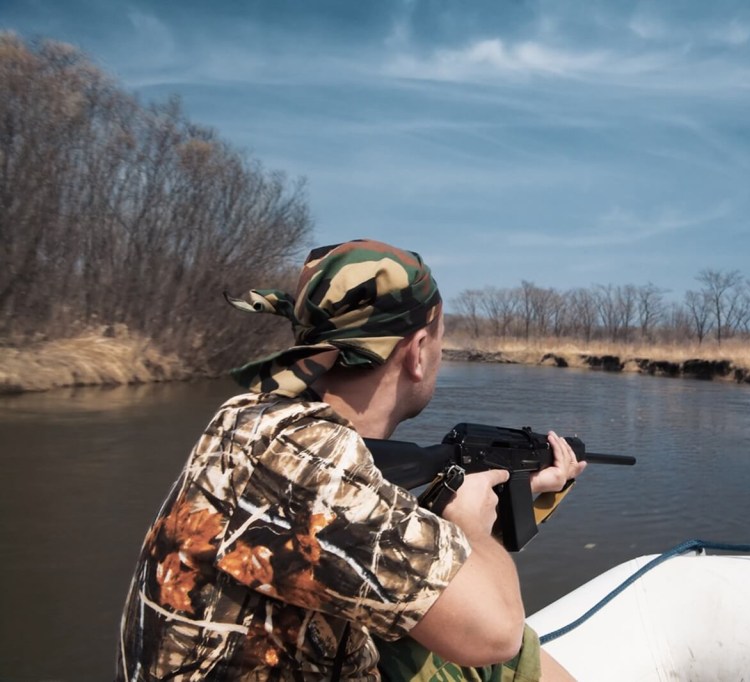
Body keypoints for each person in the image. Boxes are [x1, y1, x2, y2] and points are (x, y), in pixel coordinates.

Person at [116, 239, 586, 681]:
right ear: (418, 352)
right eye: (438, 340)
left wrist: (530, 488)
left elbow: (372, 538)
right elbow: (495, 634)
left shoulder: (254, 418)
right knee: (508, 654)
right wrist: (468, 529)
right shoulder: (311, 459)